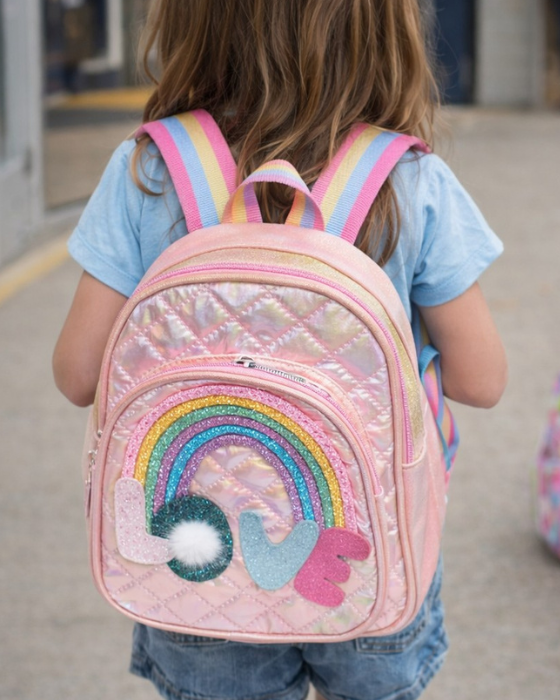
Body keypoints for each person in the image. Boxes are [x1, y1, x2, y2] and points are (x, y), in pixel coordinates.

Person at [52, 1, 507, 699]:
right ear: (383, 31)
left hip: (194, 554)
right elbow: (481, 380)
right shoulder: (407, 180)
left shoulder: (150, 168)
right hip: (367, 547)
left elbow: (78, 374)